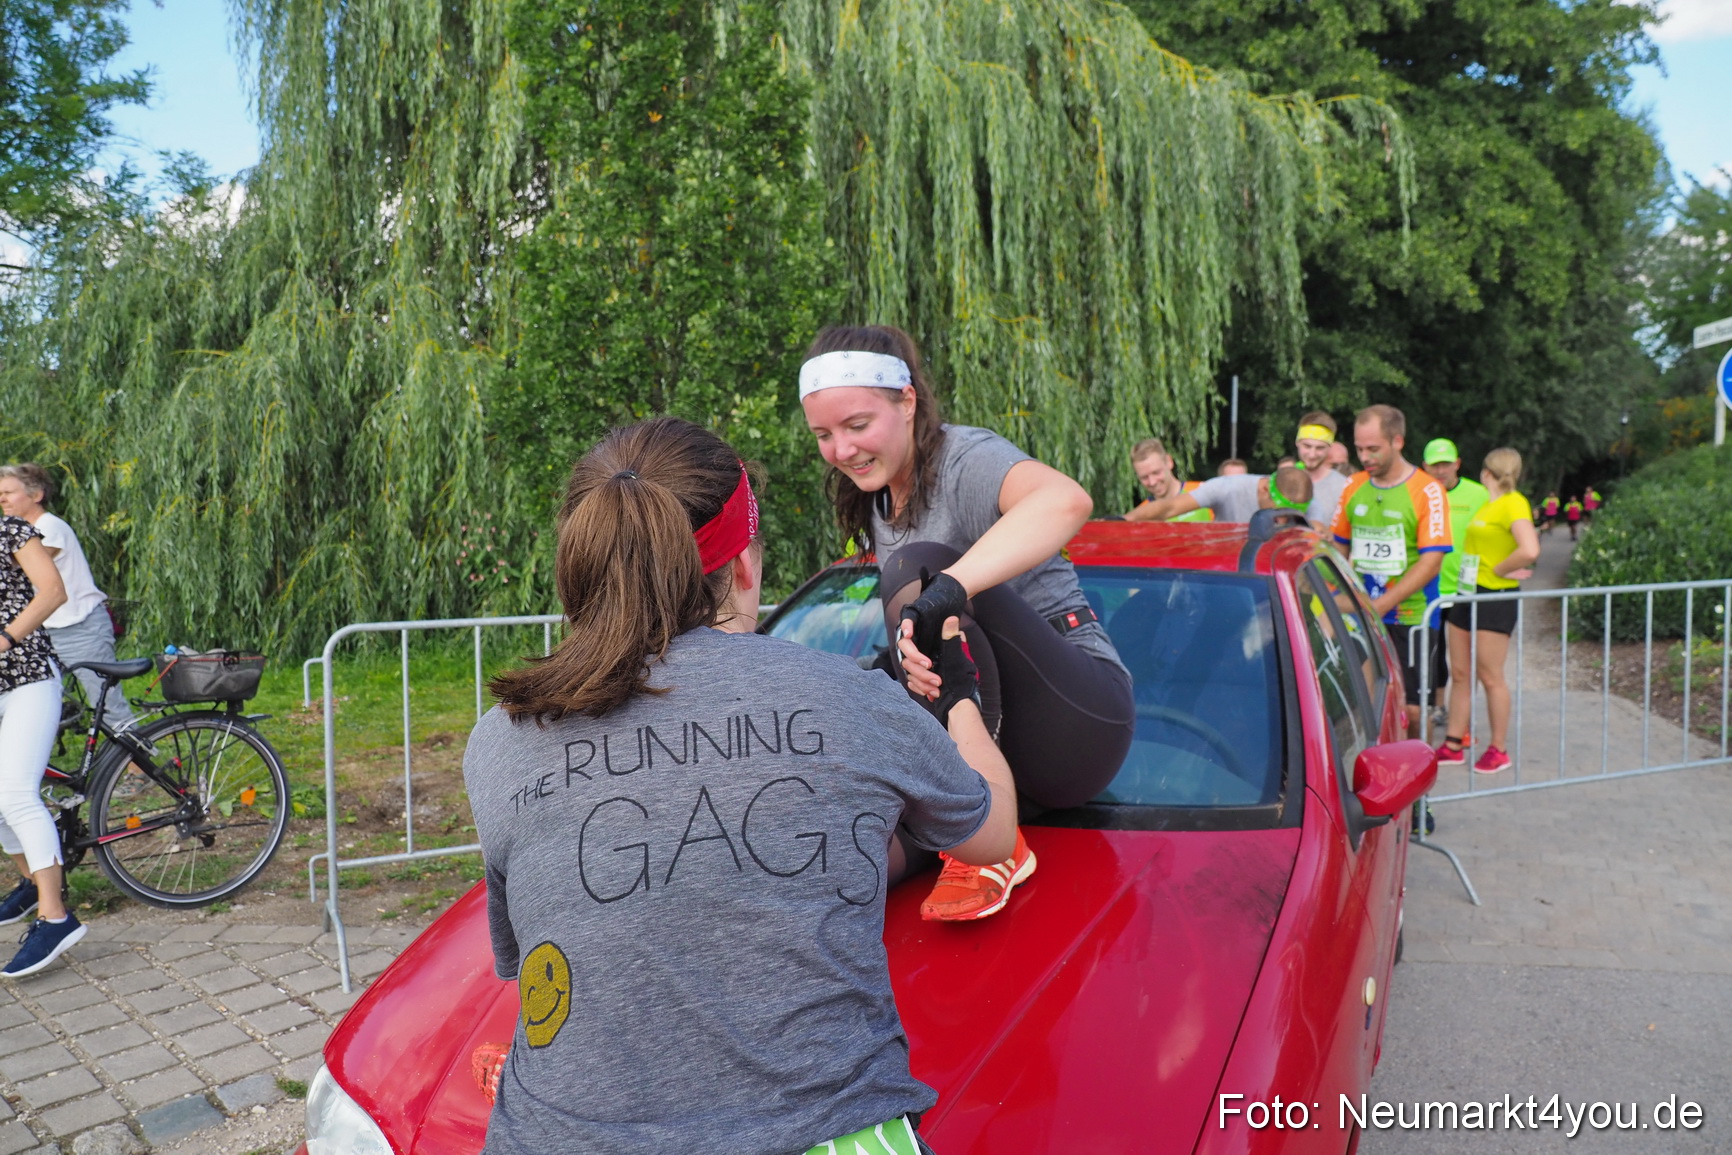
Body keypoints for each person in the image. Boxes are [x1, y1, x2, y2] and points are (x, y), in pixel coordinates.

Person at [464, 417, 1018, 1155]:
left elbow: (535, 959)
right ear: (745, 567)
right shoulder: (848, 697)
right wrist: (958, 699)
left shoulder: (503, 737)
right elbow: (991, 833)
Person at [800, 325, 1134, 922]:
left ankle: (988, 848)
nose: (842, 451)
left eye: (856, 426)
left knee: (920, 567)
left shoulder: (963, 457)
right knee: (842, 857)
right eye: (823, 435)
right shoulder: (880, 498)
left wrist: (952, 586)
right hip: (1008, 766)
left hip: (1077, 720)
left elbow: (1066, 501)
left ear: (907, 401)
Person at [1331, 405, 1452, 738]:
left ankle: (1418, 784)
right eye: (1359, 448)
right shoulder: (1353, 486)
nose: (1365, 456)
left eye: (1373, 448)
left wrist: (1383, 604)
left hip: (1413, 617)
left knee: (1414, 711)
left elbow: (1432, 561)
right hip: (1363, 612)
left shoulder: (1428, 490)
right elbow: (1338, 548)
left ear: (1397, 441)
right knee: (1374, 704)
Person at [0, 513, 85, 977]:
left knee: (15, 794)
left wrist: (6, 639)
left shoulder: (10, 531)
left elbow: (52, 590)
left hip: (26, 676)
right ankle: (35, 881)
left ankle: (55, 918)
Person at [0, 465, 135, 731]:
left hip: (79, 629)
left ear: (36, 494)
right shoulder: (19, 532)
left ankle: (139, 769)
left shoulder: (49, 526)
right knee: (28, 702)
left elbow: (15, 566)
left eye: (8, 492)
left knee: (106, 704)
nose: (1, 498)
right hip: (43, 633)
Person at [1438, 448, 1540, 774]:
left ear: (1486, 474)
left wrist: (1500, 569)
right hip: (1467, 593)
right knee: (1460, 672)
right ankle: (1454, 742)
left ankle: (1499, 749)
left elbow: (1530, 549)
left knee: (1490, 675)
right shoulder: (1489, 503)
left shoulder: (1514, 503)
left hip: (1495, 597)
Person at [1421, 438, 1489, 724]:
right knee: (1434, 651)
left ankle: (1463, 712)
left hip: (1466, 588)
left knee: (1466, 657)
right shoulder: (1418, 493)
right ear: (1424, 466)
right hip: (1429, 586)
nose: (1440, 471)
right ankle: (1437, 706)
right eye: (1434, 465)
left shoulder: (1478, 494)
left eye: (1446, 464)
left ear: (1457, 464)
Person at [1124, 465, 1313, 524]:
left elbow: (1319, 533)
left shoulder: (1303, 496)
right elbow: (1170, 507)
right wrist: (1123, 520)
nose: (1283, 523)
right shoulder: (1227, 488)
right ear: (1264, 490)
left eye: (1291, 516)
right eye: (1280, 514)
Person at [1128, 438, 1210, 522]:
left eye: (1156, 472)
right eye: (1144, 477)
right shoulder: (1140, 515)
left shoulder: (1203, 491)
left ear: (1169, 462)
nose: (1152, 482)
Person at [1294, 412, 1350, 529]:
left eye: (1320, 448)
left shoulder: (1343, 487)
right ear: (1297, 443)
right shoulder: (1280, 481)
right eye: (1307, 446)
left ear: (1330, 448)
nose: (1312, 454)